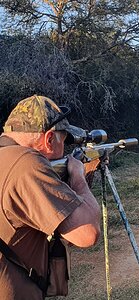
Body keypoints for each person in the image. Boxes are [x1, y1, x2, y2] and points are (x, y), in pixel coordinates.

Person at [0, 95, 101, 299]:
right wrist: (79, 177)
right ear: (48, 139)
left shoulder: (7, 159)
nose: (64, 150)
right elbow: (87, 234)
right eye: (63, 141)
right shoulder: (27, 164)